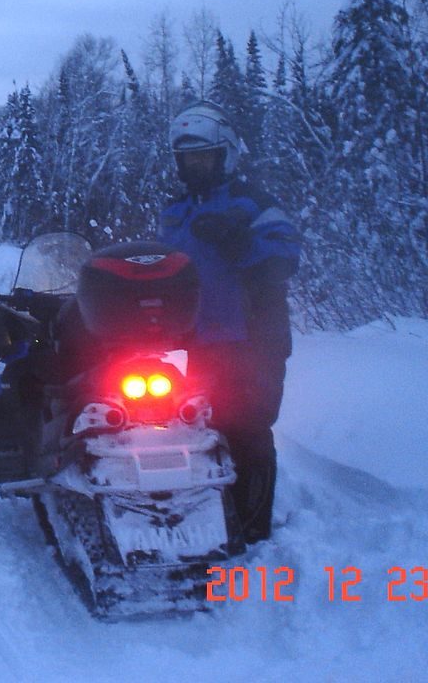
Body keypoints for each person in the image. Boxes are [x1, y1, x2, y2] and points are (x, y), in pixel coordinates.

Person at [158, 100, 301, 545]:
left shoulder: (253, 204)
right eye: (187, 159)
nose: (194, 166)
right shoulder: (175, 212)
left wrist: (240, 242)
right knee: (201, 429)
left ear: (225, 155)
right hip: (199, 342)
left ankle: (252, 532)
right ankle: (207, 516)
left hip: (253, 337)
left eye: (202, 156)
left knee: (249, 430)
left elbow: (284, 258)